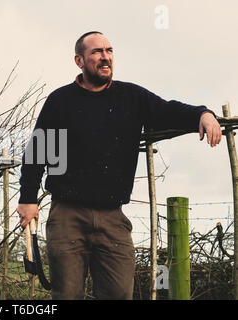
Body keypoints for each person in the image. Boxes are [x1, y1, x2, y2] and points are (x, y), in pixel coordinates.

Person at [16, 31, 221, 300]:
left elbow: (168, 110)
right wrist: (28, 198)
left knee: (118, 294)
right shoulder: (61, 101)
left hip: (113, 218)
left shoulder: (131, 98)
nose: (105, 57)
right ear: (79, 60)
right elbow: (39, 150)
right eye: (97, 52)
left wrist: (203, 113)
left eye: (109, 51)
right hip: (67, 215)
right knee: (66, 295)